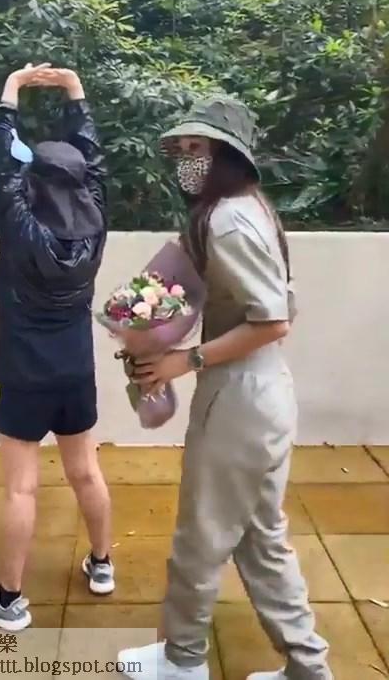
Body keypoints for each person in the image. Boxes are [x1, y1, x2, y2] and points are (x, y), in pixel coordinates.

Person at [119, 95, 332, 680]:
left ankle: (183, 660)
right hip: (261, 395)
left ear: (228, 156)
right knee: (262, 540)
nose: (186, 159)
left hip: (237, 399)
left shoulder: (227, 220)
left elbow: (272, 320)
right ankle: (308, 667)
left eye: (199, 148)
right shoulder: (249, 209)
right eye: (183, 149)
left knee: (201, 536)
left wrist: (183, 359)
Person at [0, 64, 114, 632]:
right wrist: (75, 89)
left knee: (21, 487)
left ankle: (8, 601)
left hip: (23, 370)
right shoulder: (95, 219)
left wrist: (12, 90)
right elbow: (92, 161)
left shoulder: (20, 223)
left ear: (34, 181)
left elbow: (2, 160)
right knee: (86, 473)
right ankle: (102, 564)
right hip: (76, 368)